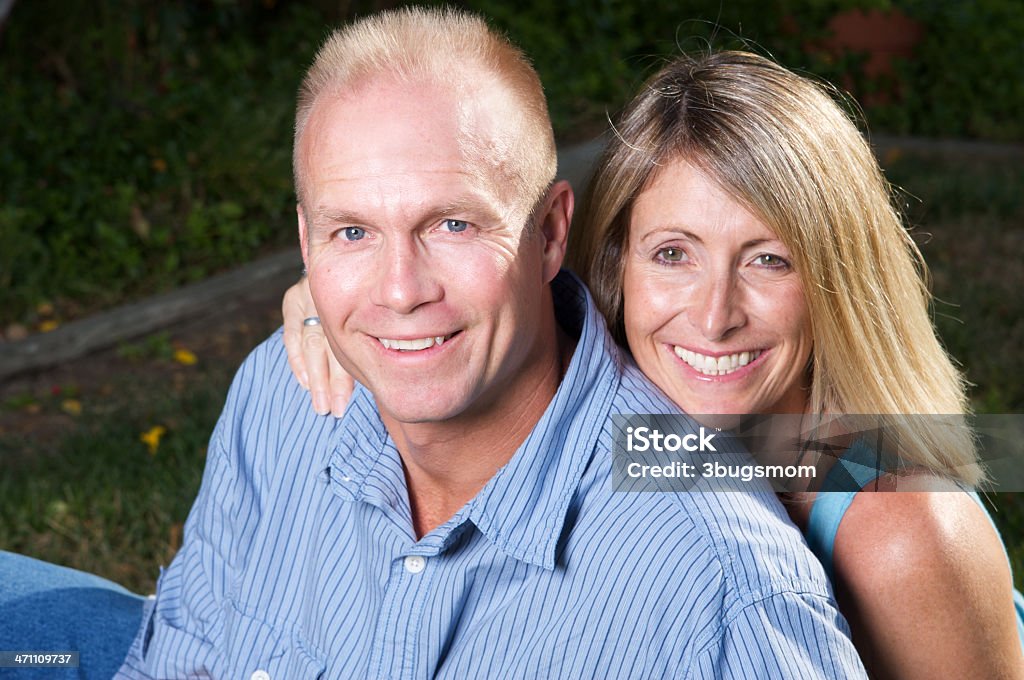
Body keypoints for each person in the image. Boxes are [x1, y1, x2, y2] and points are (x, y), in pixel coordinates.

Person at [94, 9, 869, 679]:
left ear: (550, 234)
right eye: (353, 231)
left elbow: (899, 462)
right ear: (306, 243)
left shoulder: (729, 582)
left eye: (453, 224)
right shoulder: (283, 392)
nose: (400, 290)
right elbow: (178, 656)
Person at [284, 50, 1024, 678]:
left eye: (769, 261)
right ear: (616, 263)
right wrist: (329, 308)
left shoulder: (901, 531)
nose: (712, 315)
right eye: (673, 254)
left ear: (836, 282)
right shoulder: (627, 416)